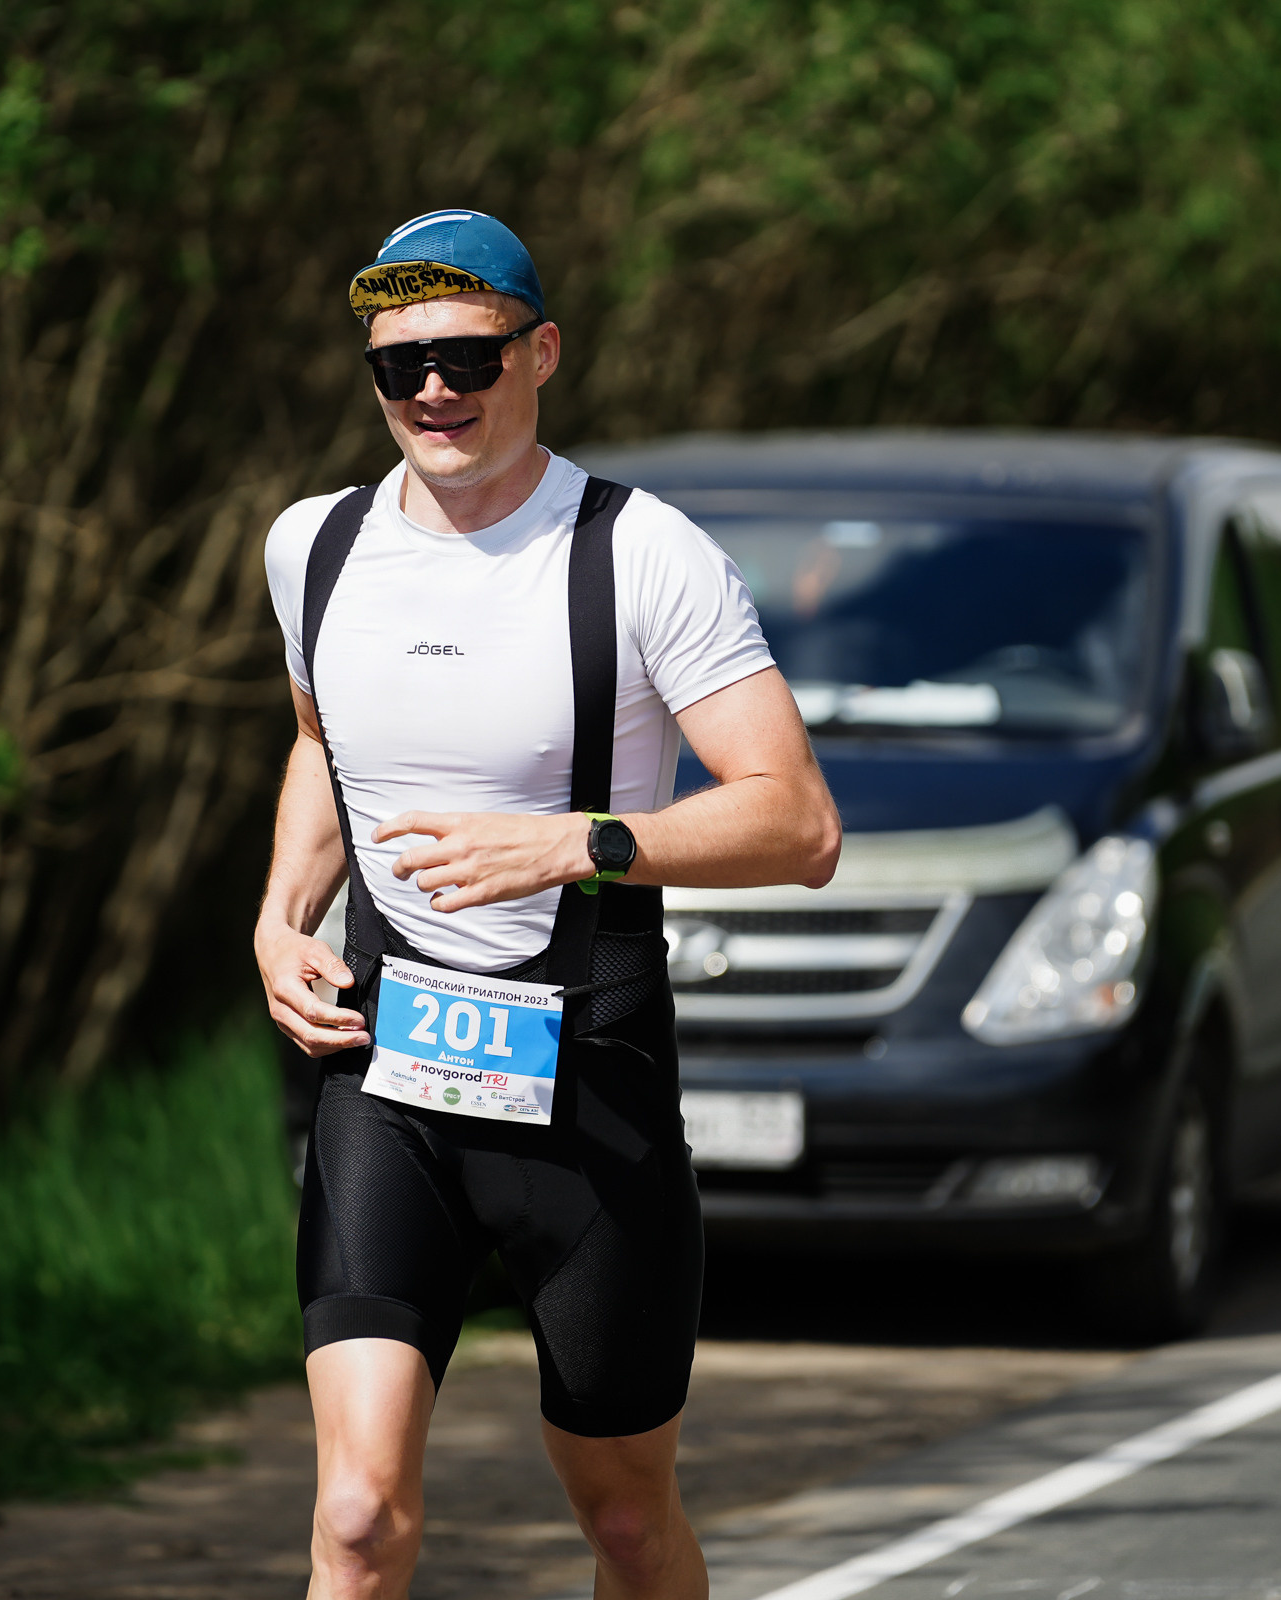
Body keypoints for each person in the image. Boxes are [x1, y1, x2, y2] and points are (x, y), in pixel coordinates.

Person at [252, 210, 842, 1600]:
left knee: (628, 1523)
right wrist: (280, 917)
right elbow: (317, 751)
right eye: (400, 370)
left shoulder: (646, 554)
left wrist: (575, 845)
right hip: (384, 1076)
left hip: (588, 1085)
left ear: (543, 352)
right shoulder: (312, 547)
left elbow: (799, 820)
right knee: (353, 1519)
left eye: (467, 356)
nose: (435, 394)